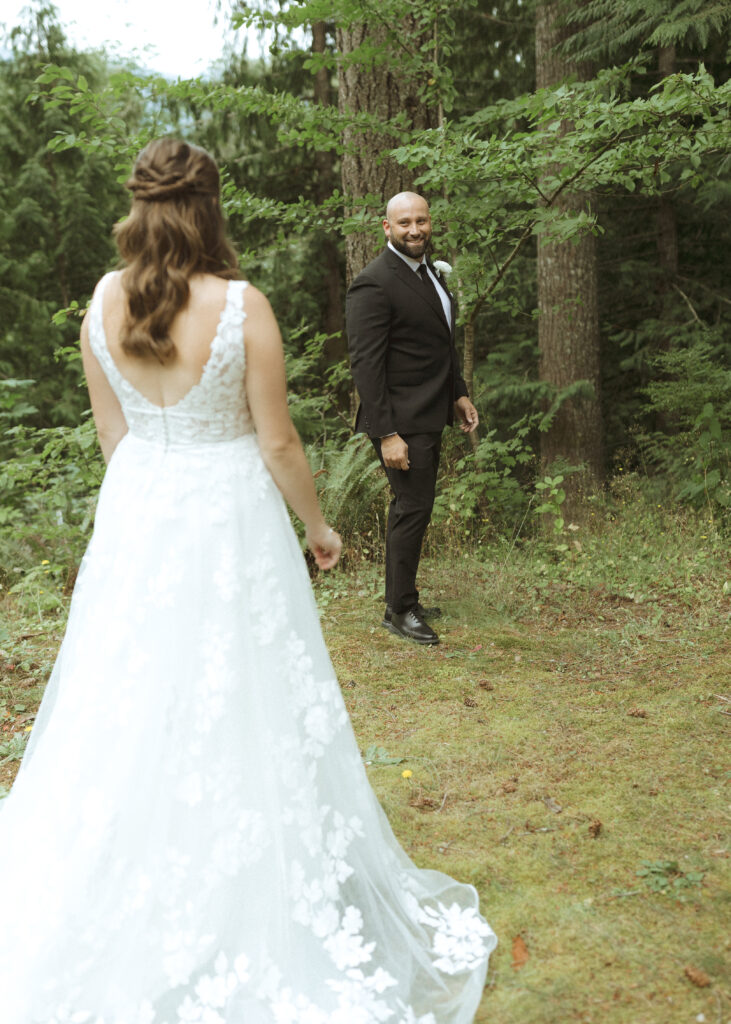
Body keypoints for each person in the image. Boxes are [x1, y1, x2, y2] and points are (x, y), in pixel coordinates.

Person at [0, 140, 495, 1022]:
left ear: (140, 208)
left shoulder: (102, 304)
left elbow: (116, 439)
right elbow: (276, 442)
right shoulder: (239, 305)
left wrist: (150, 508)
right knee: (244, 690)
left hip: (140, 519)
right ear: (209, 207)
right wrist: (318, 526)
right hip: (229, 517)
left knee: (137, 693)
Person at [346, 193, 479, 645]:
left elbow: (441, 342)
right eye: (404, 223)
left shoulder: (430, 274)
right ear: (387, 227)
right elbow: (366, 366)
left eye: (421, 221)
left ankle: (406, 595)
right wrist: (386, 434)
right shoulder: (374, 283)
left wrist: (458, 394)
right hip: (399, 420)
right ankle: (398, 611)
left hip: (430, 409)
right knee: (411, 508)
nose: (415, 230)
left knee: (416, 508)